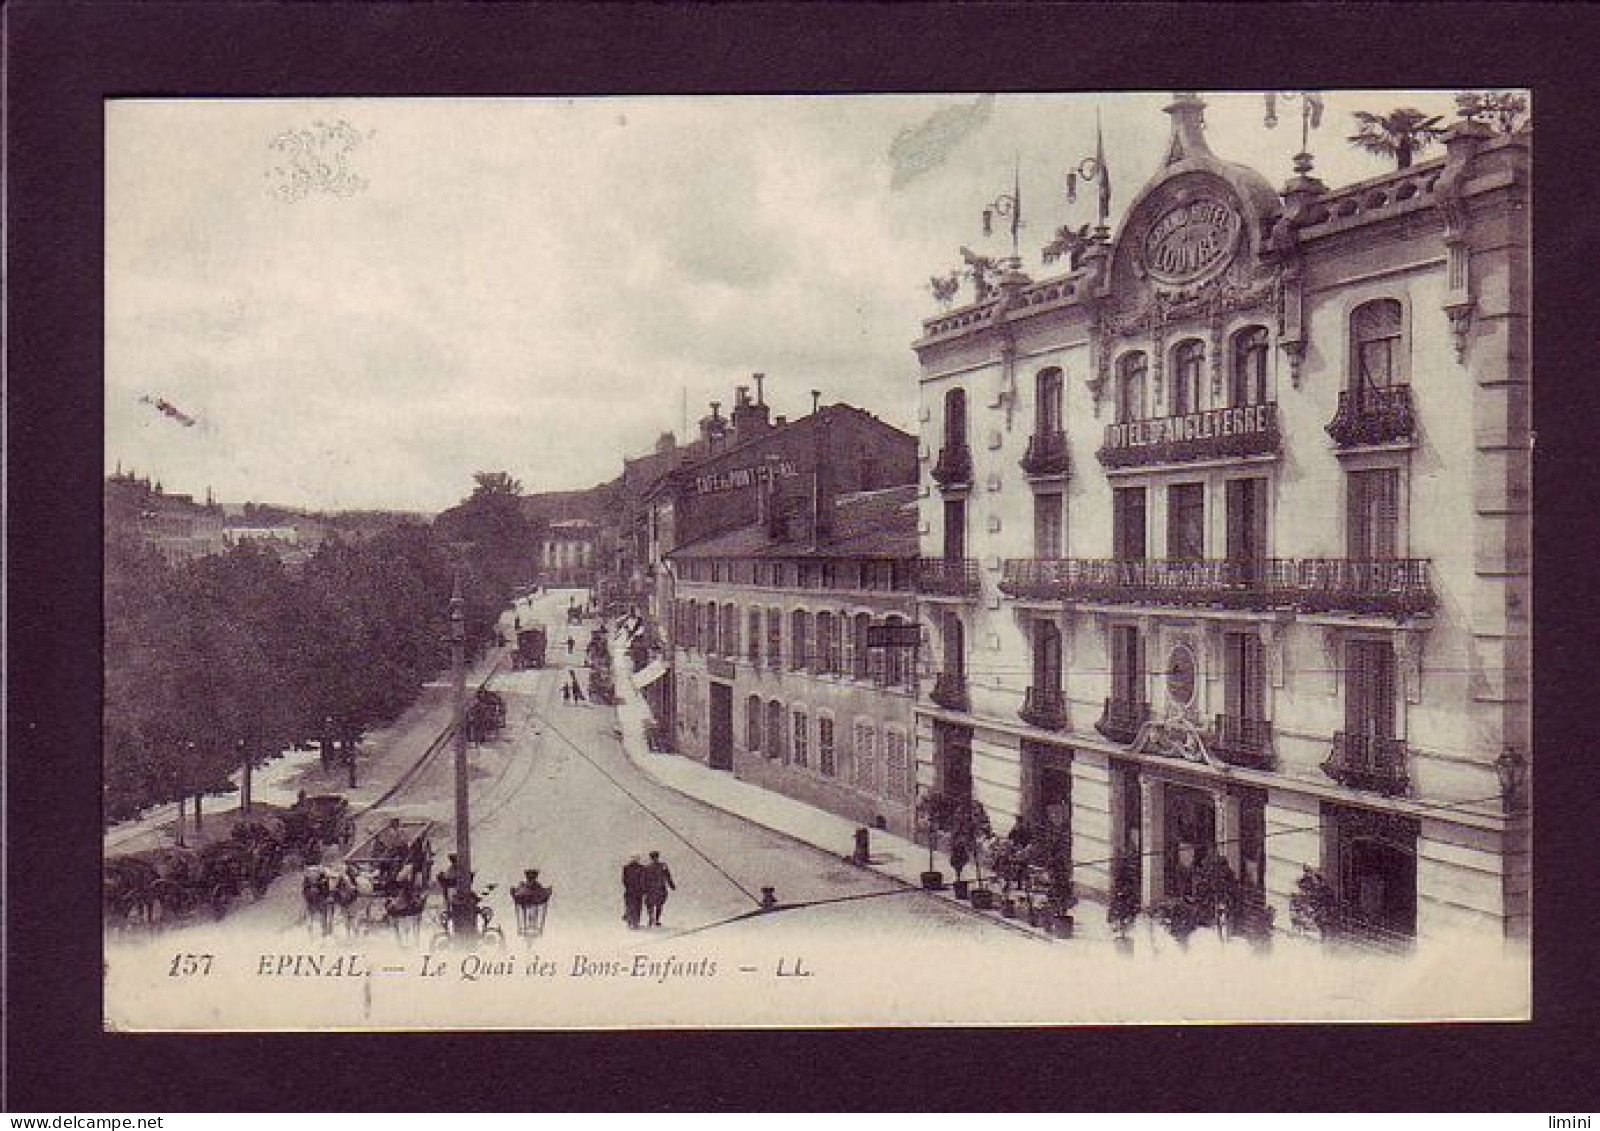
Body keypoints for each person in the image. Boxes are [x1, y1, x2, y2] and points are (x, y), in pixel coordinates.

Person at [642, 850, 676, 928]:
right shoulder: (661, 866)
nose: (655, 859)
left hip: (654, 889)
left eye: (655, 857)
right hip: (657, 889)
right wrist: (671, 885)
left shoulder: (648, 867)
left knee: (654, 905)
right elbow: (668, 876)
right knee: (656, 905)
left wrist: (671, 885)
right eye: (654, 857)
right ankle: (654, 919)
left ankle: (653, 919)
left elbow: (667, 876)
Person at [621, 855, 646, 929]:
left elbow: (624, 880)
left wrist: (628, 886)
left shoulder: (626, 868)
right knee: (637, 906)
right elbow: (643, 880)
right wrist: (643, 889)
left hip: (629, 890)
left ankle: (630, 921)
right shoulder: (641, 868)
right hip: (638, 891)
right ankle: (635, 922)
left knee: (629, 905)